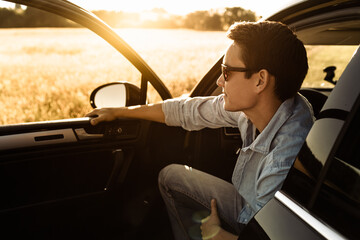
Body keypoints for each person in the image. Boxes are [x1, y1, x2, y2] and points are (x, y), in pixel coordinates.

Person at [86, 21, 314, 240]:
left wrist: (218, 235)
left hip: (261, 222)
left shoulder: (283, 158)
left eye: (227, 72)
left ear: (260, 80)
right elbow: (189, 110)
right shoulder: (264, 106)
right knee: (171, 176)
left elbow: (260, 232)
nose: (219, 81)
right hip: (250, 203)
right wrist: (121, 112)